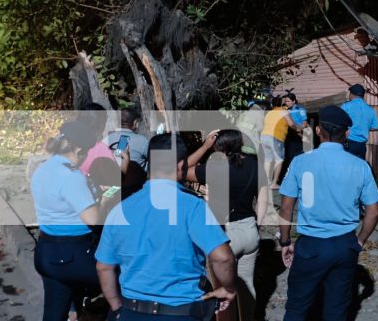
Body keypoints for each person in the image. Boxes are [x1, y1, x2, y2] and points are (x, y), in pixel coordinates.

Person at [95, 133, 236, 320]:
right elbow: (223, 258)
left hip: (132, 311)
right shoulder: (193, 206)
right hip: (182, 311)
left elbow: (104, 267)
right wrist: (228, 288)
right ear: (181, 165)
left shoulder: (120, 209)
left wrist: (117, 307)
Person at [279, 105, 378, 321]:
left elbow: (286, 206)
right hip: (344, 245)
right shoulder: (360, 166)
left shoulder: (300, 162)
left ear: (318, 131)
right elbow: (373, 211)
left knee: (297, 308)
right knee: (337, 311)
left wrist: (285, 242)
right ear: (347, 134)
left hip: (311, 246)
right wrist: (360, 240)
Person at [184, 129, 269, 320]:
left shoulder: (214, 167)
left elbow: (179, 170)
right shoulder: (255, 165)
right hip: (249, 230)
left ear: (218, 146)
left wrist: (204, 146)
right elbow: (263, 201)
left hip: (224, 234)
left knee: (222, 291)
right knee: (247, 284)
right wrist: (257, 225)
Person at [30, 120, 101, 321]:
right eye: (86, 152)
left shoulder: (43, 169)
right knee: (120, 280)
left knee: (53, 313)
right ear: (78, 149)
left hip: (45, 251)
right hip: (73, 256)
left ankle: (74, 310)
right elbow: (93, 220)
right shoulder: (72, 176)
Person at [261, 96, 298, 189]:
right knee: (279, 160)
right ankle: (274, 183)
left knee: (268, 160)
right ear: (281, 104)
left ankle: (267, 182)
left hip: (264, 136)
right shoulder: (283, 111)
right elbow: (291, 124)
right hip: (276, 137)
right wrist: (298, 129)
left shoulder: (269, 113)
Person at [340, 84, 378, 161]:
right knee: (359, 169)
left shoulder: (346, 106)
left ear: (351, 94)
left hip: (349, 143)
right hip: (362, 146)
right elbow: (376, 127)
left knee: (347, 168)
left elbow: (338, 121)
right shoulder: (370, 109)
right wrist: (364, 127)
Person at [281, 93, 308, 181]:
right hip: (288, 136)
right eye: (286, 101)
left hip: (298, 136)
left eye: (288, 101)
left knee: (297, 157)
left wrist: (299, 130)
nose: (286, 103)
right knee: (288, 157)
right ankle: (288, 176)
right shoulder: (285, 110)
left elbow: (304, 124)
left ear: (293, 101)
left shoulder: (300, 110)